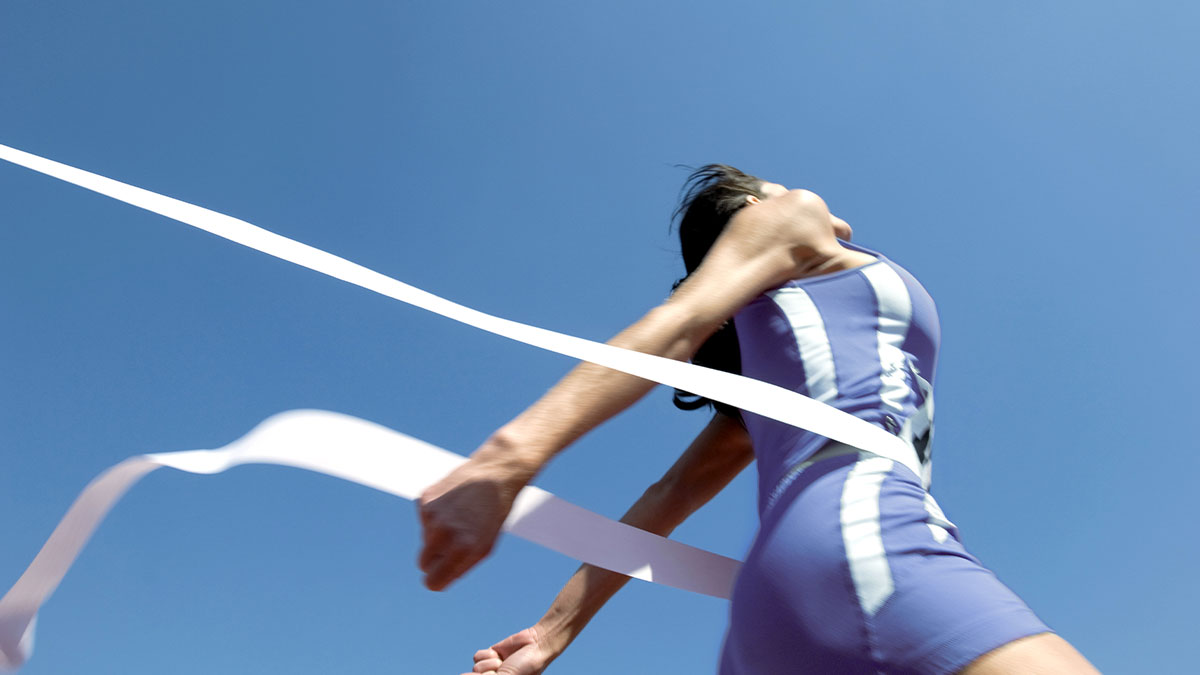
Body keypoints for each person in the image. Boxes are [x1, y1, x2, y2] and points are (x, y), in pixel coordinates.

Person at [417, 166, 1098, 674]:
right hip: (868, 542)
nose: (800, 186)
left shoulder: (772, 389)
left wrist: (552, 630)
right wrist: (507, 458)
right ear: (753, 208)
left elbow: (665, 500)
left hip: (769, 614)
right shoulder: (791, 217)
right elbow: (678, 324)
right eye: (773, 183)